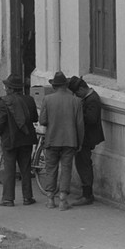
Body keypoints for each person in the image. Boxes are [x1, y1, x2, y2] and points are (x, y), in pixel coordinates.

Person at [39, 71, 84, 211]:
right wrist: (80, 142)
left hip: (52, 140)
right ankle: (63, 200)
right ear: (66, 86)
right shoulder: (76, 101)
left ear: (54, 86)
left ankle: (50, 199)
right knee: (66, 169)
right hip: (70, 141)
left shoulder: (47, 99)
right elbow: (80, 125)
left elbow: (43, 121)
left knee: (50, 169)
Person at [0, 74, 39, 207]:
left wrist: (2, 134)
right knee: (25, 168)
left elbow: (0, 122)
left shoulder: (4, 101)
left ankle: (8, 199)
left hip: (10, 139)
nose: (5, 89)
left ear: (11, 89)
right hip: (26, 139)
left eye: (6, 87)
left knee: (9, 168)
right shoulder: (30, 100)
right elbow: (34, 118)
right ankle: (27, 197)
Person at [68, 76, 105, 206]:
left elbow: (91, 119)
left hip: (87, 137)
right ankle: (85, 193)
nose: (77, 96)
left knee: (84, 165)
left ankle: (87, 195)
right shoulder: (88, 98)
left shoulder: (92, 100)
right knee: (82, 163)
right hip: (85, 136)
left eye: (77, 93)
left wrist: (77, 114)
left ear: (82, 88)